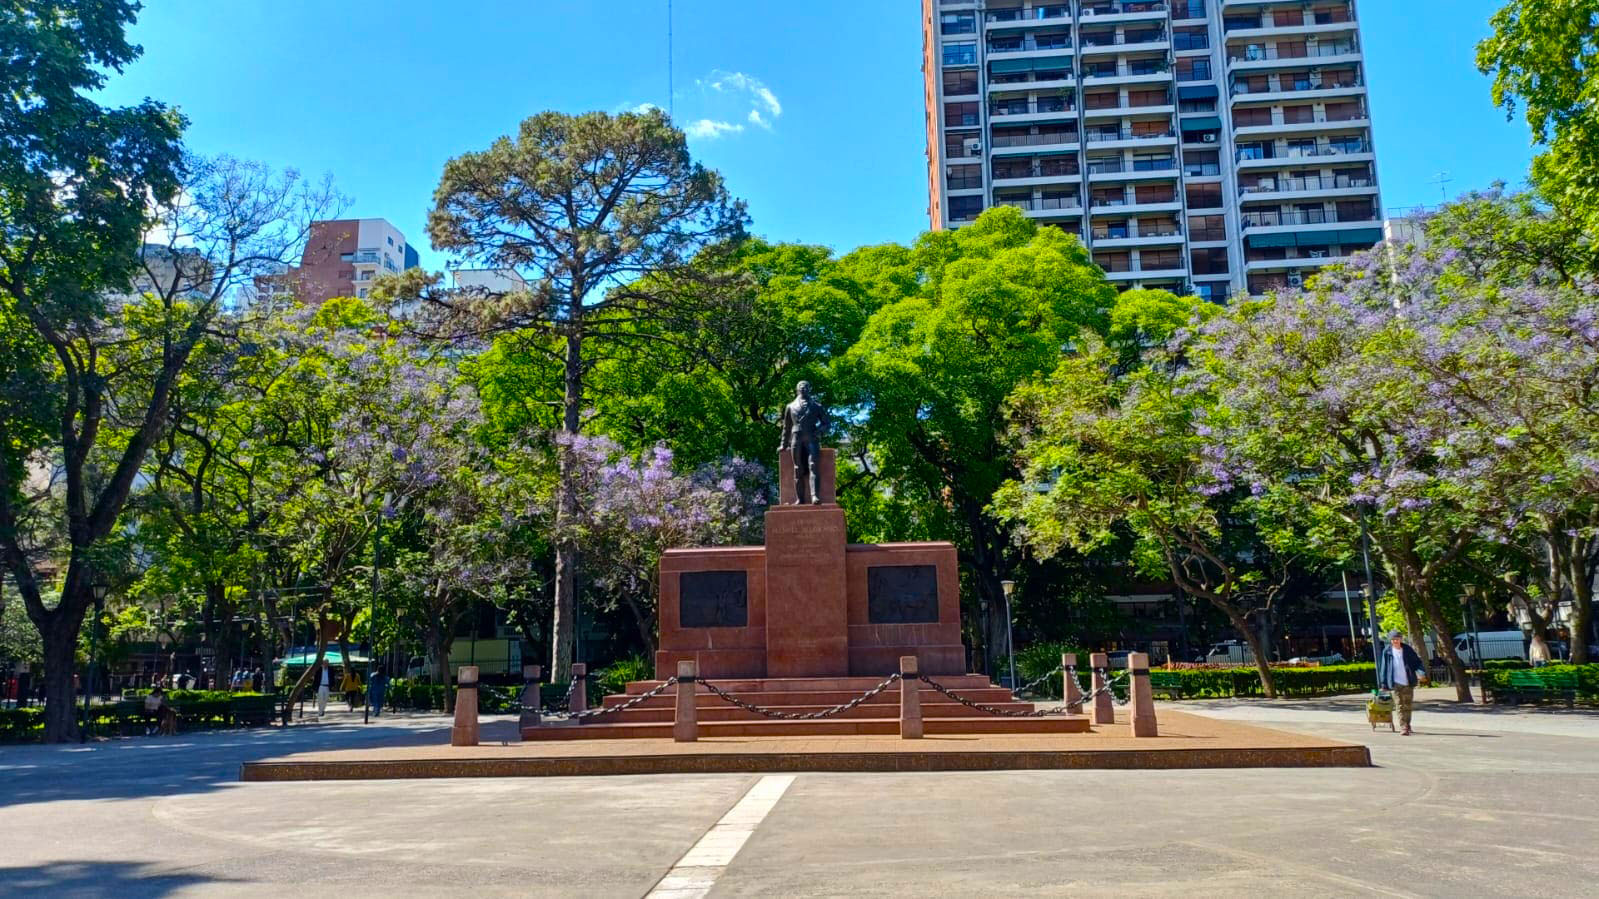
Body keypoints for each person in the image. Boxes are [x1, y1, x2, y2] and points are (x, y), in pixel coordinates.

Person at [1377, 630, 1429, 735]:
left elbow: (1417, 663)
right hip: (1394, 682)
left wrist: (1421, 673)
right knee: (1399, 705)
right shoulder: (1387, 651)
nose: (1395, 641)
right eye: (1393, 639)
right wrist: (1383, 684)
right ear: (1390, 641)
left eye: (1397, 639)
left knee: (1408, 705)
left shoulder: (1407, 649)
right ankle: (1403, 726)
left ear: (1401, 639)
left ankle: (1408, 724)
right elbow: (1384, 667)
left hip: (1408, 681)